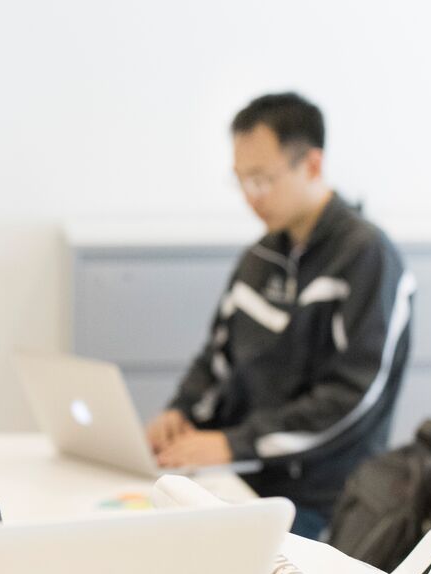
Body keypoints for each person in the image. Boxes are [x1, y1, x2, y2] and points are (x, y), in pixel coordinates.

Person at [148, 92, 414, 539]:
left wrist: (235, 443)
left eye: (262, 180)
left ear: (311, 165)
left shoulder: (366, 256)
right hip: (242, 477)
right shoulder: (260, 256)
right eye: (241, 181)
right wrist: (180, 412)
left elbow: (353, 397)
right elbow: (217, 359)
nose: (251, 197)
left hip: (324, 502)